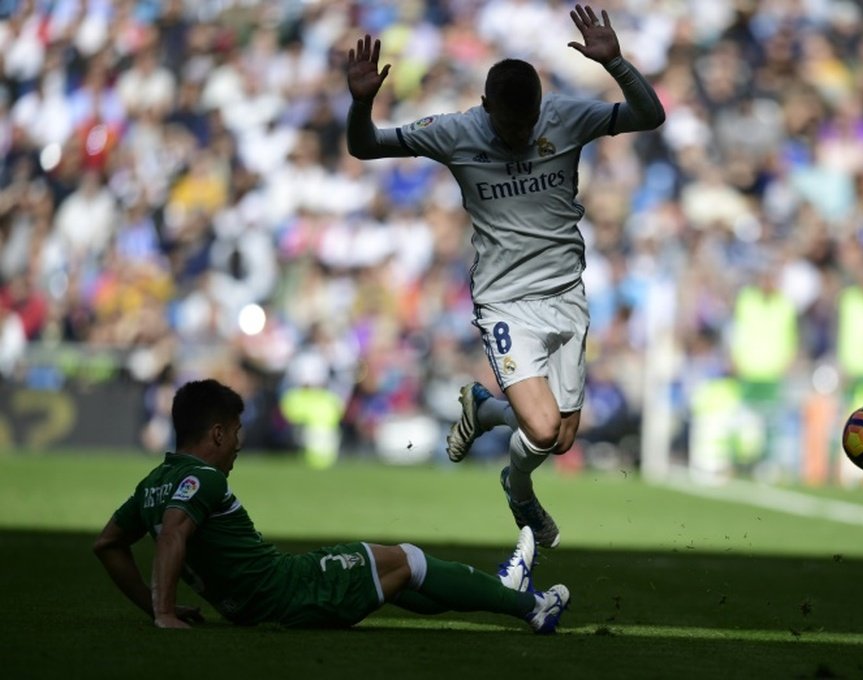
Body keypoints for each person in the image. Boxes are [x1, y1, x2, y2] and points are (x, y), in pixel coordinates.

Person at [345, 4, 665, 548]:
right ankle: (520, 496)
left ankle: (485, 409)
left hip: (567, 294)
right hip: (505, 303)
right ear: (486, 105)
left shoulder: (565, 117)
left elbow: (650, 116)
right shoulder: (454, 132)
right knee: (540, 430)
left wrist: (618, 65)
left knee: (562, 439)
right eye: (509, 121)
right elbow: (364, 145)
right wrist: (361, 104)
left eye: (529, 119)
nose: (520, 131)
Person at [93, 379, 569, 633]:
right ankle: (530, 606)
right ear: (216, 433)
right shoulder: (207, 478)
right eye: (235, 433)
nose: (238, 444)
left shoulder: (152, 483)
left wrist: (156, 603)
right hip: (287, 591)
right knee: (408, 559)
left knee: (397, 578)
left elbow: (109, 544)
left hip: (252, 604)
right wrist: (165, 612)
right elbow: (175, 532)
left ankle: (504, 590)